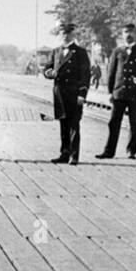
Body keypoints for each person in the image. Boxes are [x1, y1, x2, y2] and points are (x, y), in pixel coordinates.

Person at [96, 25, 136, 160]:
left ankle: (131, 150)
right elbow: (111, 72)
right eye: (126, 32)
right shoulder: (117, 52)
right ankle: (109, 151)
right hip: (119, 92)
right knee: (113, 122)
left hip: (135, 93)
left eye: (131, 32)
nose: (129, 35)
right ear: (122, 34)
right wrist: (110, 92)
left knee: (133, 123)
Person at [44, 21, 91, 164]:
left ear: (73, 35)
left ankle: (74, 155)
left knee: (74, 125)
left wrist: (82, 94)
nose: (65, 36)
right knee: (63, 124)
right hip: (60, 94)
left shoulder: (80, 52)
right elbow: (46, 69)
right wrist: (49, 72)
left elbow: (85, 75)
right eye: (63, 33)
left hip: (74, 94)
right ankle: (64, 153)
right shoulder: (55, 51)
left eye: (68, 34)